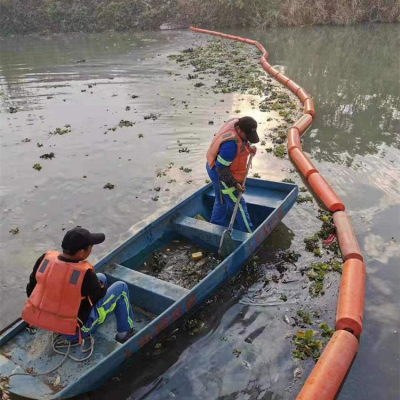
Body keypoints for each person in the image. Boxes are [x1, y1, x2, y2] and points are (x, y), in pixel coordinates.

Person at [22, 226, 135, 344]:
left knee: (101, 277)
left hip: (47, 322)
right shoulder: (85, 275)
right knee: (121, 287)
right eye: (90, 247)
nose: (92, 248)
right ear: (81, 253)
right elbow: (100, 293)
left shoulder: (44, 260)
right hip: (76, 331)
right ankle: (125, 334)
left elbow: (31, 290)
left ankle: (59, 324)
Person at [206, 116, 259, 233]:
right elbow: (221, 168)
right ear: (239, 129)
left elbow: (242, 143)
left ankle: (214, 227)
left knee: (221, 201)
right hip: (219, 173)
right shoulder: (230, 145)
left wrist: (249, 148)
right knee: (239, 204)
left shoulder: (238, 126)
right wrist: (235, 184)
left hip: (212, 167)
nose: (248, 139)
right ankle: (248, 233)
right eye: (247, 136)